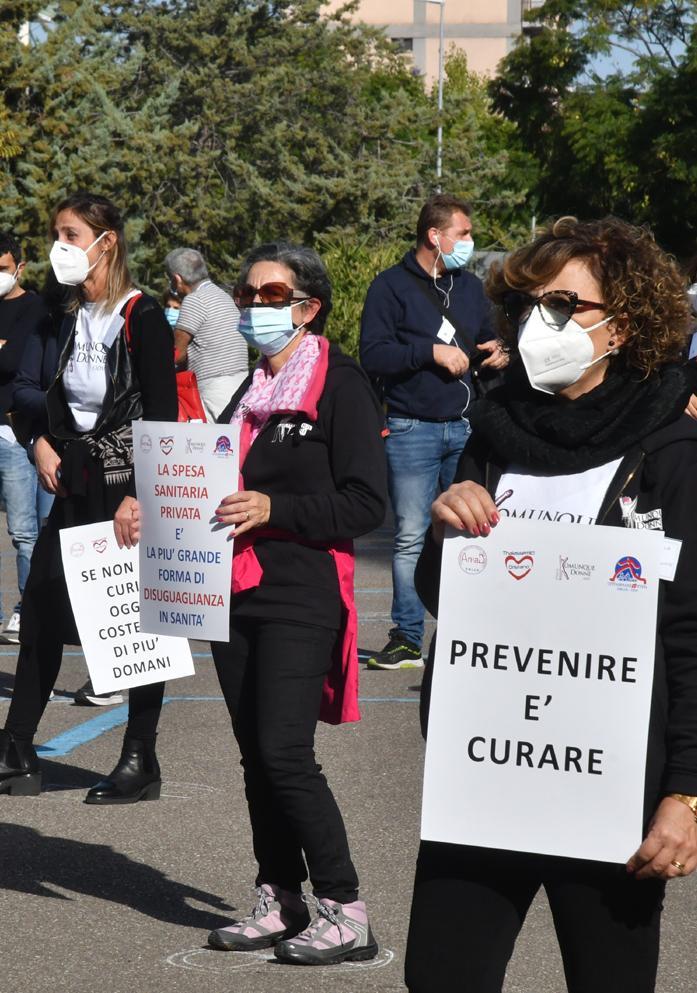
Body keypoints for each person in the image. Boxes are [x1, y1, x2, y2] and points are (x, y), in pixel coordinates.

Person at [405, 216, 697, 993]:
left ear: (623, 323)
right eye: (530, 303)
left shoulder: (669, 450)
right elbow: (441, 595)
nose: (542, 322)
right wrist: (448, 527)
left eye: (566, 305)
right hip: (486, 780)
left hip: (612, 792)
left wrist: (683, 796)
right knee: (439, 977)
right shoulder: (494, 434)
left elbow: (691, 636)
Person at [197, 242, 387, 964]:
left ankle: (344, 907)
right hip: (234, 591)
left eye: (271, 295)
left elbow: (364, 500)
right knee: (255, 756)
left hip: (301, 592)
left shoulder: (339, 383)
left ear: (309, 306)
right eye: (247, 294)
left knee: (284, 752)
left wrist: (274, 507)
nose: (252, 306)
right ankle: (279, 895)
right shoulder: (247, 389)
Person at [0, 192, 178, 802]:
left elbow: (160, 414)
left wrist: (142, 496)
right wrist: (37, 443)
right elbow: (24, 389)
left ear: (107, 242)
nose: (60, 247)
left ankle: (140, 757)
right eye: (57, 234)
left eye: (71, 235)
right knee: (44, 608)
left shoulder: (142, 315)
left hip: (125, 487)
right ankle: (16, 748)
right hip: (69, 480)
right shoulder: (57, 312)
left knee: (136, 622)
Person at [360, 194, 507, 671]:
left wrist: (498, 350)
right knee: (409, 535)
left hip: (467, 428)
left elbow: (488, 338)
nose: (470, 242)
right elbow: (374, 355)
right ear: (435, 236)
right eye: (463, 234)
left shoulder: (471, 288)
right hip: (411, 428)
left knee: (472, 533)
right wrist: (428, 352)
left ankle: (468, 634)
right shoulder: (389, 288)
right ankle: (405, 637)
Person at [0, 232, 51, 643]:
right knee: (21, 530)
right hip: (5, 432)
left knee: (34, 527)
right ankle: (24, 608)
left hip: (22, 431)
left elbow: (17, 360)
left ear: (19, 266)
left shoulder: (35, 308)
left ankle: (30, 608)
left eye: (1, 268)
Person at [165, 247, 247, 420]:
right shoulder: (222, 296)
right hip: (239, 382)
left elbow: (176, 353)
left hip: (214, 387)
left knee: (211, 443)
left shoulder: (195, 299)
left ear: (177, 279)